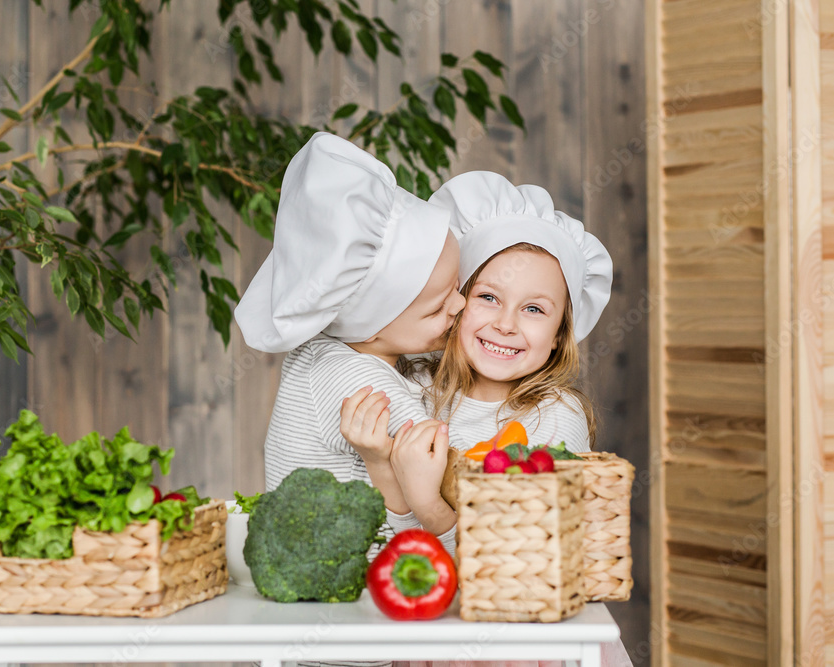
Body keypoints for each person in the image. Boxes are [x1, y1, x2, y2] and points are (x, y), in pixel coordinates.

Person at [342, 171, 630, 667]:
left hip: (523, 644)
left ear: (561, 335)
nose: (505, 323)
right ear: (456, 301)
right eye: (489, 297)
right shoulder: (411, 393)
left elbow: (516, 566)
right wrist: (380, 466)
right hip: (435, 632)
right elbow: (395, 561)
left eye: (535, 309)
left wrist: (428, 502)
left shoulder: (553, 420)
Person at [233, 131, 469, 558]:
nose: (462, 303)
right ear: (372, 328)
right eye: (438, 308)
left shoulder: (325, 350)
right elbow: (452, 471)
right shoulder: (360, 380)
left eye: (458, 285)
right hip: (354, 579)